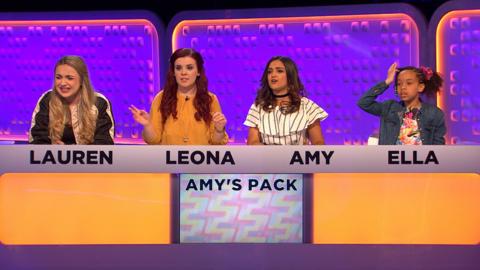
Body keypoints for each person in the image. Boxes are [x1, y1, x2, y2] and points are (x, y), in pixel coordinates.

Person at [130, 48, 228, 145]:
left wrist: (219, 130)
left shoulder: (210, 99)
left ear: (198, 72)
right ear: (173, 72)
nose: (183, 73)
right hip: (169, 160)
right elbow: (153, 140)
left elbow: (217, 142)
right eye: (178, 68)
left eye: (189, 68)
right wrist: (148, 125)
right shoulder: (161, 98)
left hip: (200, 159)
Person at [29, 55, 114, 144]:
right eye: (58, 77)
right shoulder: (47, 100)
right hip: (52, 157)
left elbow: (105, 144)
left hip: (88, 157)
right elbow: (36, 140)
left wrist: (74, 153)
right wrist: (52, 148)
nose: (62, 83)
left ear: (82, 80)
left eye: (69, 78)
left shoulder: (99, 102)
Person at [244, 56, 328, 145]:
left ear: (290, 76)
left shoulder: (307, 106)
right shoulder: (258, 107)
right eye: (269, 72)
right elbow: (252, 142)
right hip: (266, 158)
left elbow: (318, 144)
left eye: (279, 71)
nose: (273, 75)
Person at [357, 62, 446, 145]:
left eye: (409, 83)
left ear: (420, 87)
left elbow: (438, 149)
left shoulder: (434, 114)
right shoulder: (389, 108)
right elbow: (364, 103)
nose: (403, 87)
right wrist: (387, 82)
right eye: (399, 84)